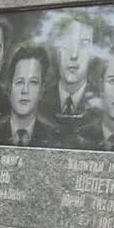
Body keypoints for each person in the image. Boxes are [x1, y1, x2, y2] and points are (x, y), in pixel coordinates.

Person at [0, 44, 59, 147]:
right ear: (9, 87)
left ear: (41, 90)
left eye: (33, 82)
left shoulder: (54, 139)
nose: (25, 90)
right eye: (19, 82)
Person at [42, 17, 100, 145]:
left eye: (83, 45)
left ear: (93, 53)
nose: (74, 55)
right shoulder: (38, 101)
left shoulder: (103, 105)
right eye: (66, 45)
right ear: (56, 52)